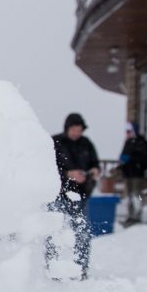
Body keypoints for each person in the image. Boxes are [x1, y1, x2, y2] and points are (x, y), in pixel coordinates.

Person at [48, 112, 100, 279]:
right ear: (67, 128)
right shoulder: (55, 142)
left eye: (80, 130)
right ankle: (52, 268)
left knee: (82, 233)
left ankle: (80, 269)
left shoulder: (86, 144)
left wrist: (93, 171)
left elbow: (95, 164)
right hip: (58, 195)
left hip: (81, 196)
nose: (77, 133)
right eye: (74, 129)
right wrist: (68, 174)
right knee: (54, 233)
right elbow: (47, 169)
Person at [118, 122, 147, 226]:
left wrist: (130, 160)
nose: (127, 133)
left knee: (137, 195)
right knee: (130, 196)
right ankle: (131, 216)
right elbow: (124, 155)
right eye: (126, 131)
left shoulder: (140, 143)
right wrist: (122, 163)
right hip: (128, 173)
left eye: (129, 131)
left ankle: (137, 217)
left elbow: (143, 159)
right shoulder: (128, 142)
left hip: (137, 174)